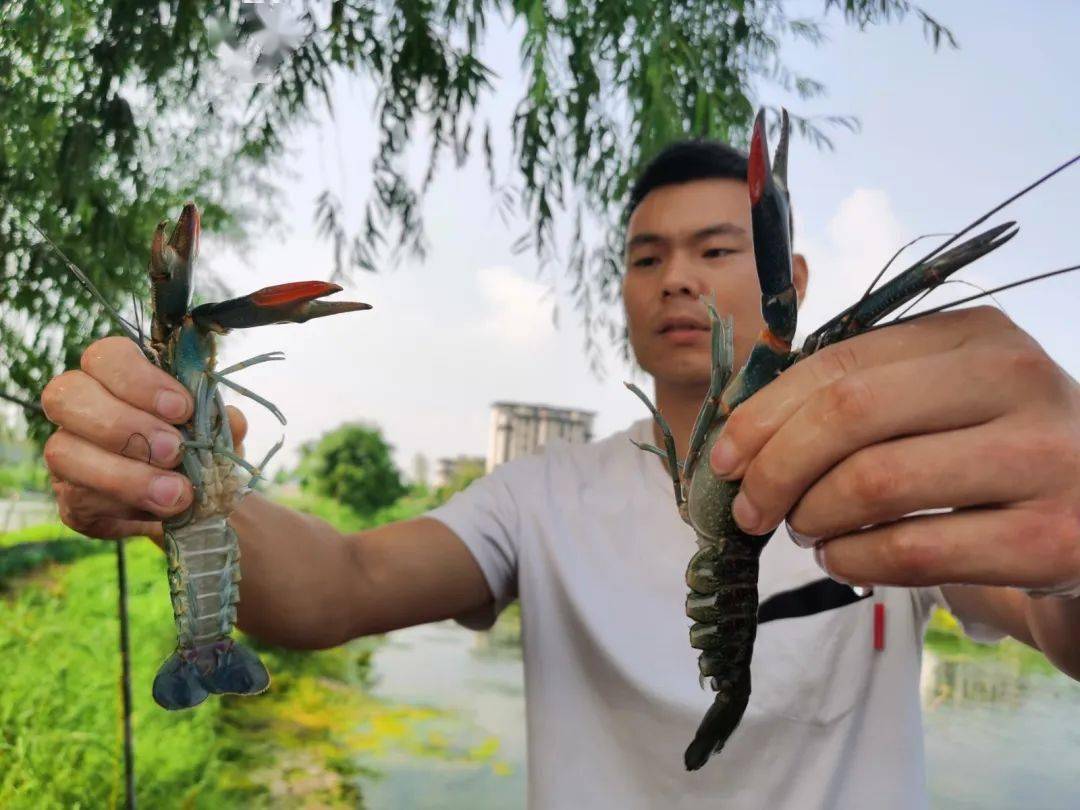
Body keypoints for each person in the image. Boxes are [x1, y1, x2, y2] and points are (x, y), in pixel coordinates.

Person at [40, 139, 1080, 809]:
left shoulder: (903, 481)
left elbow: (1056, 624)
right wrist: (152, 480)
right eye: (645, 257)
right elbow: (338, 586)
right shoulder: (541, 492)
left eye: (718, 248)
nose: (676, 277)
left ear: (784, 280)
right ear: (622, 291)